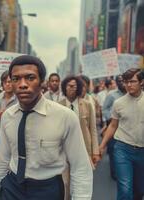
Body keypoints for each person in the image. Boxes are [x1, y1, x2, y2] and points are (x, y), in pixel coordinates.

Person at [0, 55, 93, 200]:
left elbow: (80, 167)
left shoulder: (65, 116)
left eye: (30, 78)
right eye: (16, 79)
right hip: (12, 187)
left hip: (47, 190)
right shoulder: (8, 116)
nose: (23, 84)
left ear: (42, 82)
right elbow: (2, 160)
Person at [100, 68, 144, 200]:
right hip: (123, 149)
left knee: (139, 190)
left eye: (132, 81)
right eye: (126, 82)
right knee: (125, 188)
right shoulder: (118, 103)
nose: (129, 85)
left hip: (142, 151)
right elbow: (113, 125)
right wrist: (101, 146)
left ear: (142, 82)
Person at [59, 76, 99, 200]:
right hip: (63, 150)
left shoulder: (87, 105)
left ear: (79, 88)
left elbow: (92, 130)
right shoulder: (58, 105)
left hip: (83, 148)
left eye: (74, 86)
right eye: (69, 86)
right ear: (65, 87)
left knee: (80, 183)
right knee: (64, 183)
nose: (72, 88)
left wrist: (95, 152)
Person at [102, 75, 126, 180]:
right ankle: (114, 173)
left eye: (123, 81)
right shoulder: (112, 95)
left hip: (126, 129)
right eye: (119, 81)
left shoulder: (132, 93)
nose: (122, 83)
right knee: (113, 151)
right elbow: (105, 109)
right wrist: (110, 119)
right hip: (114, 127)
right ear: (116, 83)